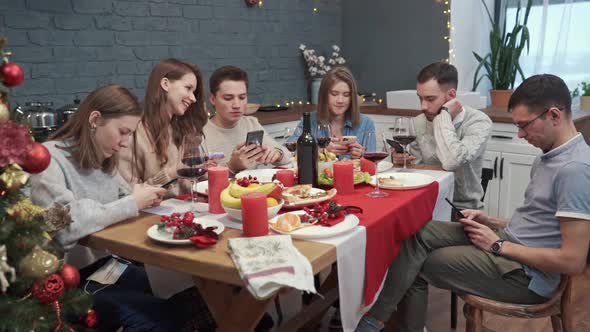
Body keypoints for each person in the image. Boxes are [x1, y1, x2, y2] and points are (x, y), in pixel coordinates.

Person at [355, 74, 590, 332]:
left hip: (527, 277)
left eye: (524, 125)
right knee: (416, 233)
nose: (520, 134)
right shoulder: (548, 157)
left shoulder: (574, 170)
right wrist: (491, 221)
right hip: (510, 244)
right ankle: (376, 320)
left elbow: (572, 261)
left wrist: (497, 244)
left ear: (554, 115)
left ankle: (374, 323)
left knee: (419, 263)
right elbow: (542, 225)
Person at [29, 85, 189, 331]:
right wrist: (131, 203)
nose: (125, 143)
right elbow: (63, 227)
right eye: (123, 132)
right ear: (95, 119)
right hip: (66, 283)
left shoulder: (105, 162)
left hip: (108, 265)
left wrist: (143, 196)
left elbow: (123, 200)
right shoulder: (49, 159)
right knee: (159, 318)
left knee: (184, 288)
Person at [394, 62, 492, 210]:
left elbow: (452, 161)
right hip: (427, 203)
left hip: (463, 210)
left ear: (451, 95)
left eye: (430, 99)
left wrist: (443, 116)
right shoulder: (419, 122)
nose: (423, 107)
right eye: (420, 98)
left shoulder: (478, 122)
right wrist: (402, 161)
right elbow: (417, 173)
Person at [118, 58, 209, 196]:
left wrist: (203, 175)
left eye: (194, 92)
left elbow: (180, 188)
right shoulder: (132, 133)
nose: (193, 98)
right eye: (188, 88)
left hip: (179, 210)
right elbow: (127, 196)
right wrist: (172, 173)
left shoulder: (180, 128)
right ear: (165, 84)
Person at [203, 65, 291, 173]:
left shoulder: (250, 124)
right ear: (213, 99)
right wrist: (231, 167)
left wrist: (277, 154)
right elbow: (193, 181)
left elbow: (287, 156)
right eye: (228, 98)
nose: (236, 105)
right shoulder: (200, 132)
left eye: (242, 97)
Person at [287, 66, 376, 159]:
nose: (340, 100)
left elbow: (374, 163)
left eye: (346, 95)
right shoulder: (309, 121)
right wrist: (320, 150)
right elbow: (290, 152)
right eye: (334, 94)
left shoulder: (366, 123)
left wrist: (362, 156)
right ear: (324, 95)